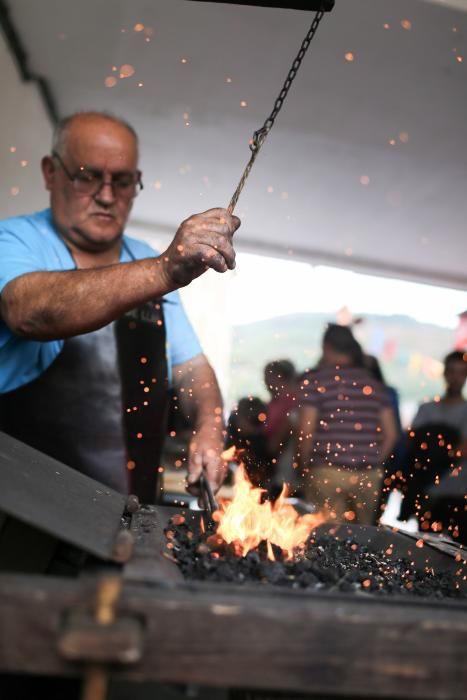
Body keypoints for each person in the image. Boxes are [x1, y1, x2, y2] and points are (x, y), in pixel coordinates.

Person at [0, 111, 240, 502]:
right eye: (87, 175)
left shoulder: (143, 257)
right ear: (50, 172)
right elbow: (27, 310)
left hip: (129, 513)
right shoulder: (14, 240)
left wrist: (209, 429)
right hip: (24, 511)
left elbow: (192, 369)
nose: (107, 196)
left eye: (123, 181)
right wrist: (164, 269)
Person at [296, 323, 398, 525]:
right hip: (368, 475)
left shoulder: (317, 381)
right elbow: (392, 435)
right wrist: (373, 462)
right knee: (361, 542)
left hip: (326, 471)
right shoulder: (374, 384)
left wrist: (303, 466)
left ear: (326, 347)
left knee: (326, 539)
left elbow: (306, 430)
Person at [399, 350, 467, 535]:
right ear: (445, 373)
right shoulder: (427, 408)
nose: (455, 378)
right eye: (452, 371)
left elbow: (462, 450)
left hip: (457, 495)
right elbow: (411, 444)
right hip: (426, 491)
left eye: (461, 373)